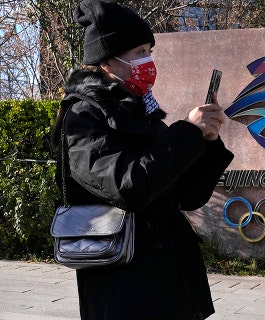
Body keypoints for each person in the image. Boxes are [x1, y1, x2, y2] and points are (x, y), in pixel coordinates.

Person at [50, 1, 234, 319]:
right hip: (125, 287)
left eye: (150, 51)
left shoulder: (143, 113)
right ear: (107, 60)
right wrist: (186, 132)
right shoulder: (83, 116)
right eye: (139, 52)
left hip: (170, 282)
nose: (148, 61)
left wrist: (206, 142)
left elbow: (186, 197)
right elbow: (128, 187)